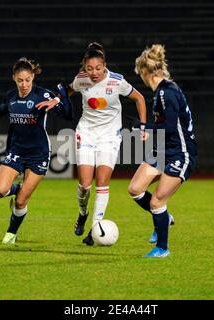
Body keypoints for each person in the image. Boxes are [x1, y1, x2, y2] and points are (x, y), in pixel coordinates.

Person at [45, 42, 147, 245]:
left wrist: (143, 126)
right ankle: (83, 213)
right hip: (86, 133)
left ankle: (94, 229)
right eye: (90, 68)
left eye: (98, 68)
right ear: (84, 67)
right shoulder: (81, 79)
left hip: (110, 136)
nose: (94, 73)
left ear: (105, 65)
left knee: (102, 181)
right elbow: (68, 91)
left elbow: (140, 98)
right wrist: (56, 101)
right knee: (84, 184)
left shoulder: (117, 81)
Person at [0, 57, 72, 244]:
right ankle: (18, 188)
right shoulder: (11, 96)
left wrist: (61, 99)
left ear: (33, 77)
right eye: (20, 80)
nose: (24, 84)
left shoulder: (43, 95)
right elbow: (3, 108)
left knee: (20, 202)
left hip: (38, 154)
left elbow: (68, 114)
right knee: (0, 190)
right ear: (14, 78)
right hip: (16, 150)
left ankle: (11, 233)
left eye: (27, 80)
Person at [127, 44, 198, 258]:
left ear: (144, 72)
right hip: (163, 150)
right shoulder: (161, 92)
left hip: (181, 153)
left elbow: (170, 127)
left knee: (157, 201)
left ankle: (162, 248)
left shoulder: (167, 92)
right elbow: (166, 127)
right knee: (135, 188)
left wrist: (144, 127)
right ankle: (164, 218)